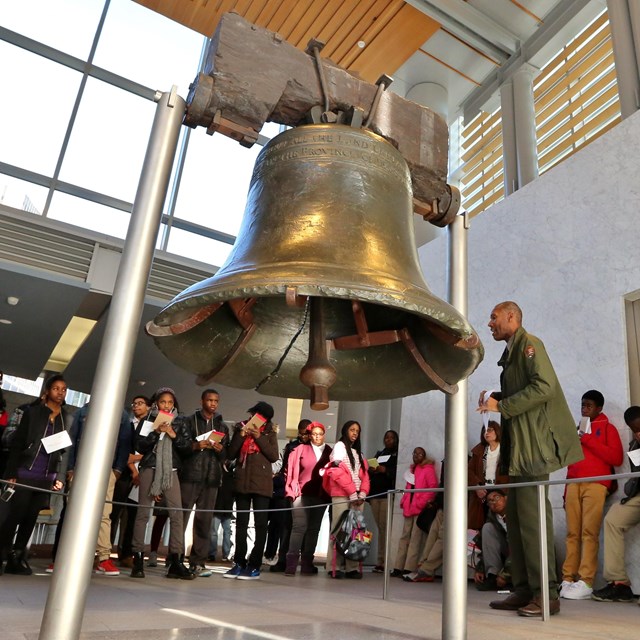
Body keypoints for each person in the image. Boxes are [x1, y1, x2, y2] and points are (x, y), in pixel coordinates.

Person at [478, 301, 582, 617]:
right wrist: (497, 397)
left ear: (512, 317)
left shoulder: (530, 345)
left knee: (534, 521)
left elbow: (545, 387)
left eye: (494, 317)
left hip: (535, 449)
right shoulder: (510, 354)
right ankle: (523, 589)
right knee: (519, 522)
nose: (489, 323)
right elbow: (521, 392)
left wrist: (503, 407)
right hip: (521, 450)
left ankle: (546, 595)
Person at [0, 375, 72, 575]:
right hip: (25, 471)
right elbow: (17, 443)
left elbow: (64, 451)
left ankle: (18, 557)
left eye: (64, 389)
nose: (60, 392)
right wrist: (11, 472)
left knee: (30, 518)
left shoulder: (67, 418)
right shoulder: (33, 413)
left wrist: (59, 476)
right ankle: (2, 554)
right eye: (56, 388)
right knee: (13, 516)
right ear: (47, 391)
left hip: (46, 476)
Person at [50, 400, 131, 575]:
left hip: (107, 469)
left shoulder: (123, 416)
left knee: (104, 513)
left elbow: (124, 444)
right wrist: (70, 468)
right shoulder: (82, 412)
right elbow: (71, 442)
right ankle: (62, 557)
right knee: (72, 512)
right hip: (81, 466)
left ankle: (103, 558)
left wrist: (117, 470)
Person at [560, 390, 623, 600]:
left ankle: (586, 581)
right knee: (572, 533)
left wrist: (587, 439)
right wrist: (567, 488)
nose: (584, 409)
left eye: (589, 406)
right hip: (574, 484)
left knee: (589, 533)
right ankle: (567, 578)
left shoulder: (608, 428)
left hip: (596, 485)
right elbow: (571, 461)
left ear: (599, 408)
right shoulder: (577, 430)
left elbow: (615, 457)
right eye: (582, 405)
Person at [130, 387, 194, 580]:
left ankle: (176, 560)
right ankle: (138, 559)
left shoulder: (180, 421)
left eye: (170, 403)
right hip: (150, 467)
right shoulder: (148, 420)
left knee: (176, 514)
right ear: (156, 403)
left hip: (171, 470)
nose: (166, 405)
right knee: (143, 513)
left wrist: (173, 435)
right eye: (163, 402)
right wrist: (156, 433)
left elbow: (187, 447)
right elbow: (139, 446)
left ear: (174, 405)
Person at [223, 401, 279, 581]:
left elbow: (273, 455)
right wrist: (241, 434)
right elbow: (231, 454)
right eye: (255, 415)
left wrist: (259, 436)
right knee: (241, 523)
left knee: (261, 525)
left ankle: (254, 564)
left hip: (262, 485)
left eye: (261, 417)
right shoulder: (240, 427)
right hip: (242, 482)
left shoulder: (270, 432)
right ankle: (239, 562)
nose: (256, 419)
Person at [591, 405, 640, 603]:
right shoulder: (634, 445)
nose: (638, 433)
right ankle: (619, 583)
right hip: (637, 496)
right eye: (634, 429)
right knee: (612, 519)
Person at [180, 388, 228, 577]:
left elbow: (226, 455)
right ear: (202, 401)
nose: (213, 404)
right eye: (210, 400)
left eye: (216, 401)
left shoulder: (222, 426)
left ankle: (198, 561)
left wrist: (219, 448)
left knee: (204, 521)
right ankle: (174, 558)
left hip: (211, 477)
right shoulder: (189, 421)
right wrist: (195, 445)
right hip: (191, 474)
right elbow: (180, 446)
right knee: (181, 518)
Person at [323, 420, 370, 579]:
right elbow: (336, 473)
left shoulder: (358, 453)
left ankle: (352, 567)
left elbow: (365, 477)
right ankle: (334, 566)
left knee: (356, 532)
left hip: (357, 497)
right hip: (342, 495)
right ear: (345, 430)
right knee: (338, 530)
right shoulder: (339, 448)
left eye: (357, 430)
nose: (355, 433)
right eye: (352, 429)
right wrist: (352, 493)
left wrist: (362, 494)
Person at [284, 421, 332, 575]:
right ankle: (290, 565)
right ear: (310, 435)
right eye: (314, 434)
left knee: (314, 530)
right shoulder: (300, 449)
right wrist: (292, 489)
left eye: (320, 434)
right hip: (301, 494)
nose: (317, 436)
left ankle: (307, 565)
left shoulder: (330, 452)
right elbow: (290, 471)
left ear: (324, 435)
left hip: (321, 496)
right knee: (299, 527)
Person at [111, 395, 150, 568]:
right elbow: (122, 449)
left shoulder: (151, 427)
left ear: (149, 407)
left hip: (142, 475)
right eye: (134, 403)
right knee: (114, 513)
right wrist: (133, 468)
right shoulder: (126, 424)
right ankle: (103, 551)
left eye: (140, 403)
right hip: (123, 474)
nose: (136, 406)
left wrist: (139, 460)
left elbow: (150, 452)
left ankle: (126, 553)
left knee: (133, 517)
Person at [267, 419, 311, 572]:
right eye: (302, 432)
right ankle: (283, 559)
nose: (305, 436)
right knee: (286, 527)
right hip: (291, 491)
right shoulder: (292, 447)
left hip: (308, 492)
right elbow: (286, 469)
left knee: (307, 528)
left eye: (308, 432)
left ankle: (305, 561)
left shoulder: (315, 448)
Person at [389, 447, 437, 577]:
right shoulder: (412, 469)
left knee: (415, 538)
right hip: (409, 507)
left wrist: (421, 502)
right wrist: (404, 501)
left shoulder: (428, 469)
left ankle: (409, 567)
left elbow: (432, 488)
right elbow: (408, 488)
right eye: (414, 453)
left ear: (424, 455)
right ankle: (398, 566)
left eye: (420, 453)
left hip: (419, 508)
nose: (416, 455)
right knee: (404, 537)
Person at [467, 420, 508, 531]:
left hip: (501, 491)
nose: (486, 433)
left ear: (497, 431)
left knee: (503, 526)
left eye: (490, 430)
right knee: (480, 525)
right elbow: (469, 470)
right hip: (482, 492)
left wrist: (505, 492)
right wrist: (477, 486)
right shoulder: (479, 450)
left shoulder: (506, 449)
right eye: (484, 431)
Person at [367, 429, 398, 573]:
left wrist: (385, 470)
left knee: (386, 529)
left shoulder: (397, 455)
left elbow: (395, 473)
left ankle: (386, 561)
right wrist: (372, 469)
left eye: (391, 438)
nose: (388, 440)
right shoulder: (379, 454)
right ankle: (380, 560)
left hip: (387, 495)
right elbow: (369, 470)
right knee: (380, 528)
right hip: (375, 495)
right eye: (386, 437)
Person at [474, 488, 510, 591]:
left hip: (522, 555)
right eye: (490, 501)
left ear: (505, 498)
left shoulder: (515, 512)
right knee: (487, 528)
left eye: (497, 498)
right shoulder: (492, 517)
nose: (494, 502)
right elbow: (486, 546)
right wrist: (480, 569)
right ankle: (493, 575)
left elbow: (519, 547)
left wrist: (505, 574)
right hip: (506, 553)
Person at [209, 460, 235, 562]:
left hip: (225, 507)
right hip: (221, 507)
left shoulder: (231, 476)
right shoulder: (221, 474)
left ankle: (224, 553)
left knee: (224, 532)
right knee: (217, 532)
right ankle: (216, 553)